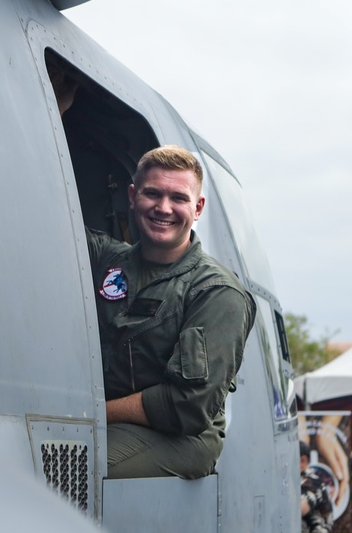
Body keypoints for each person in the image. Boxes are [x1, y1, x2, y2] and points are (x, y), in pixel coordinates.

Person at [87, 145, 256, 479]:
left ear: (198, 208)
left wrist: (93, 412)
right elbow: (45, 220)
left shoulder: (216, 291)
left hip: (181, 437)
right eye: (152, 194)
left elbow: (187, 405)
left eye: (178, 198)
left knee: (74, 465)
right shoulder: (107, 260)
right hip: (109, 421)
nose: (163, 208)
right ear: (133, 196)